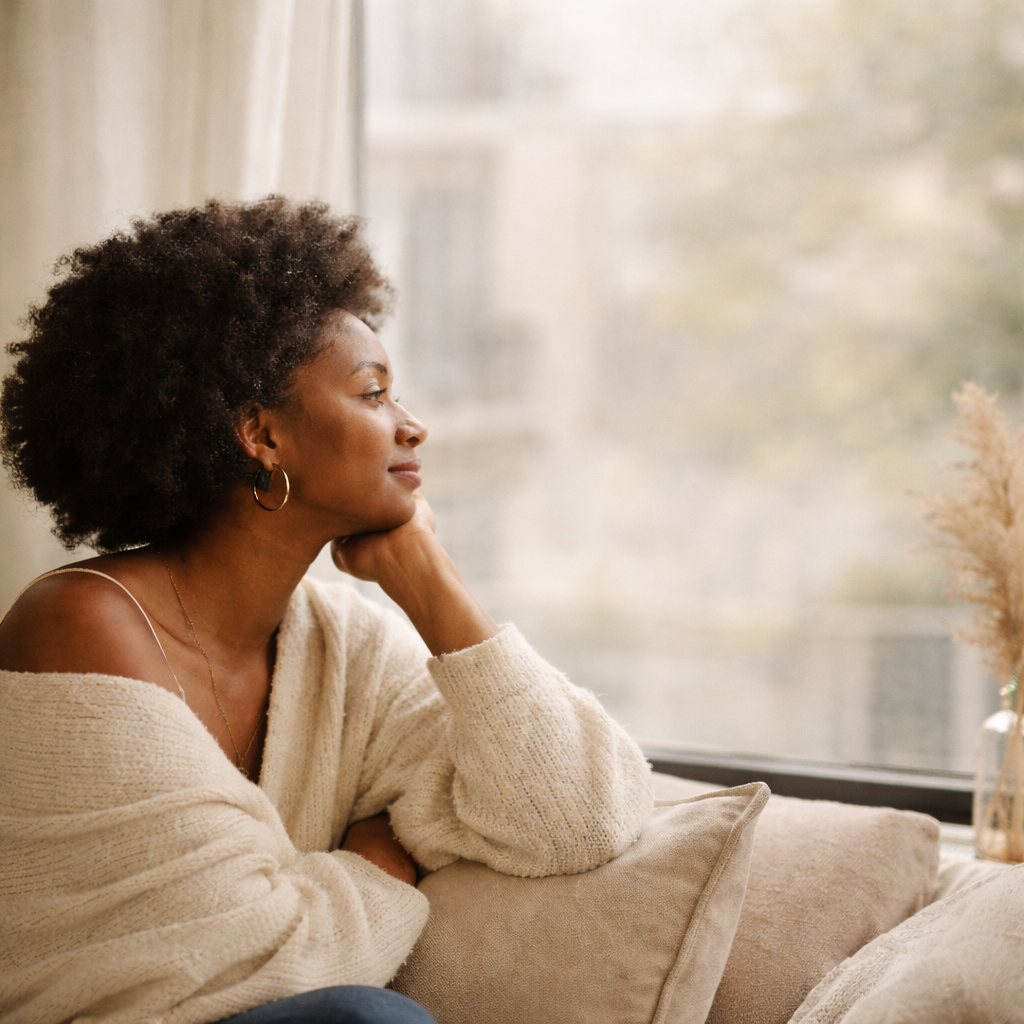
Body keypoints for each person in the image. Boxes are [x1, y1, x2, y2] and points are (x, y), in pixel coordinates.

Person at [0, 197, 653, 1024]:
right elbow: (234, 963)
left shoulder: (344, 645)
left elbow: (576, 819)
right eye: (374, 393)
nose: (412, 426)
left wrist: (433, 586)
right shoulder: (78, 627)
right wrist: (377, 867)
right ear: (261, 437)